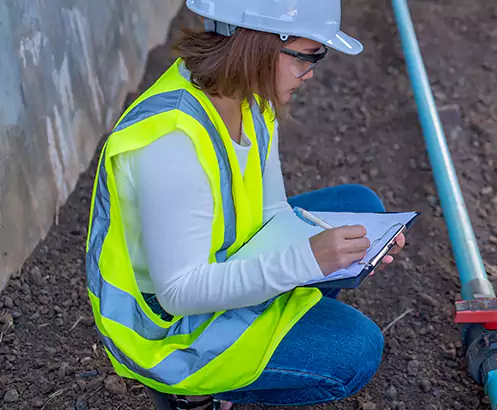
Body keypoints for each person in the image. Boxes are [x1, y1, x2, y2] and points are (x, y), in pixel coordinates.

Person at [84, 1, 405, 409]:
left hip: (229, 254)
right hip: (170, 329)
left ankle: (275, 328)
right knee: (355, 349)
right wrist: (310, 259)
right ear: (258, 44)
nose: (310, 74)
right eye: (307, 57)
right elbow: (179, 293)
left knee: (361, 208)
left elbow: (271, 214)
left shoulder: (248, 95)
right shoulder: (172, 142)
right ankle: (192, 390)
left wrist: (359, 247)